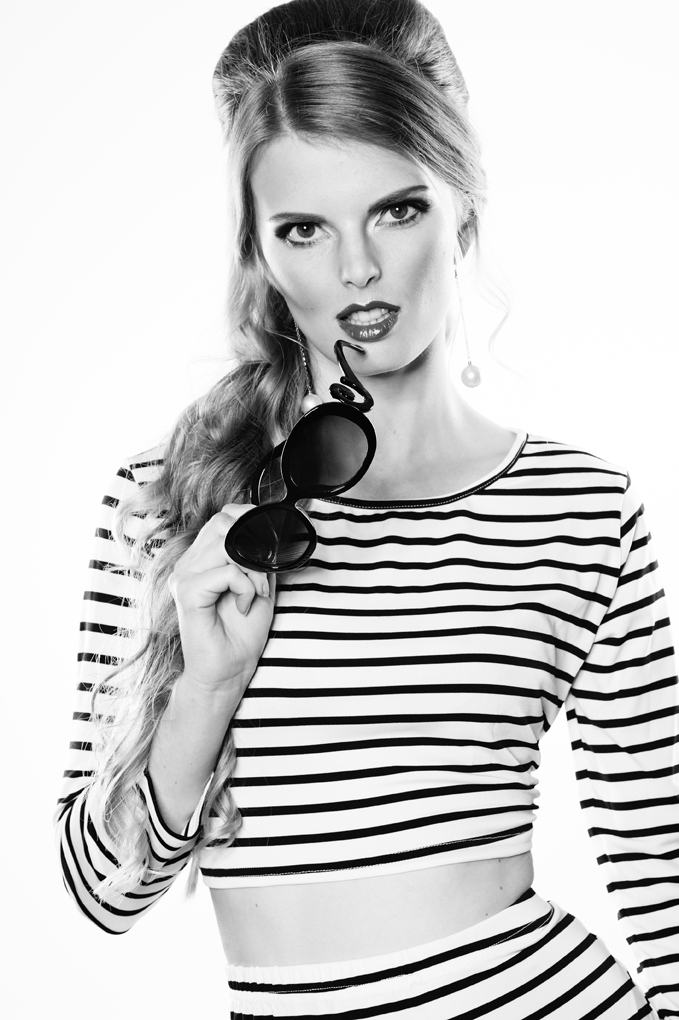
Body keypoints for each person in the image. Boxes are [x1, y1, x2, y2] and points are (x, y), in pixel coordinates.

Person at [55, 1, 679, 1016]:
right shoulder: (168, 503)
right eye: (303, 229)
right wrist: (208, 686)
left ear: (462, 207)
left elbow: (662, 860)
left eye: (396, 210)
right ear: (260, 252)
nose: (356, 270)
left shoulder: (579, 508)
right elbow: (102, 893)